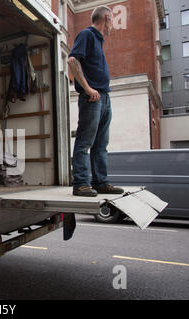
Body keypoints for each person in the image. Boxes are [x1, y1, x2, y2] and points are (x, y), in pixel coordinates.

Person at [67, 6, 124, 197]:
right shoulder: (87, 35)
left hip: (104, 97)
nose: (113, 26)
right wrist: (88, 88)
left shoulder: (98, 41)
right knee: (85, 142)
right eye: (112, 20)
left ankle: (100, 182)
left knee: (101, 144)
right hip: (93, 97)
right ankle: (81, 184)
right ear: (107, 18)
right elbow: (72, 61)